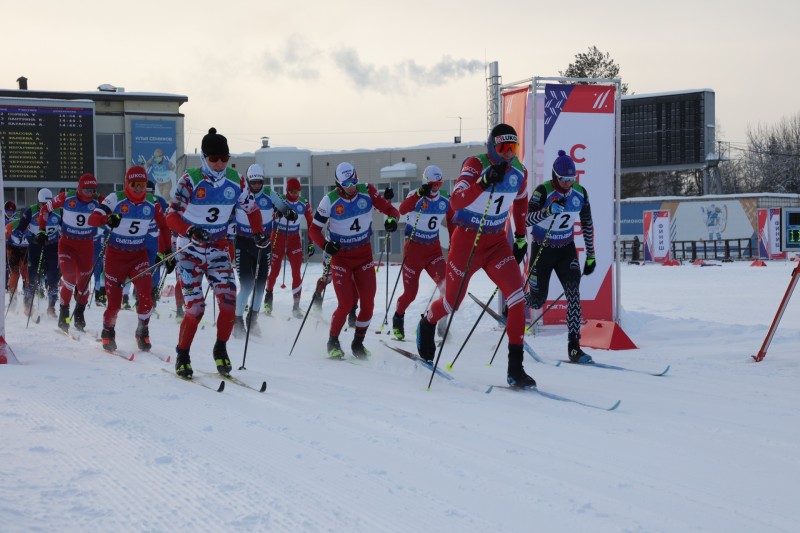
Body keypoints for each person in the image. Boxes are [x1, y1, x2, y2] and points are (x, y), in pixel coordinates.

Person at [416, 124, 534, 387]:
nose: (508, 155)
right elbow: (456, 202)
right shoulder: (475, 164)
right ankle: (427, 322)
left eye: (513, 149)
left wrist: (521, 236)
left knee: (517, 299)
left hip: (496, 243)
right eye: (503, 148)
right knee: (451, 304)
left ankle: (515, 368)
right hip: (468, 239)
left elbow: (522, 200)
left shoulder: (519, 171)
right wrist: (483, 182)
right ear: (492, 146)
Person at [166, 128, 270, 378]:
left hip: (217, 249)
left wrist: (258, 233)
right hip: (189, 250)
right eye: (214, 159)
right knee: (196, 308)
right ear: (204, 158)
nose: (220, 164)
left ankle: (220, 348)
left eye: (224, 158)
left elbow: (252, 209)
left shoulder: (236, 180)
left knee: (228, 302)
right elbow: (171, 216)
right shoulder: (190, 180)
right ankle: (182, 353)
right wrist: (190, 230)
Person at [308, 162, 399, 358]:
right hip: (341, 257)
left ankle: (358, 343)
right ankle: (332, 341)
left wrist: (392, 221)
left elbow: (391, 211)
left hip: (364, 254)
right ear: (339, 184)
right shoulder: (329, 200)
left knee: (368, 303)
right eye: (347, 183)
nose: (352, 186)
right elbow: (313, 230)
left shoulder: (366, 191)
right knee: (346, 303)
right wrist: (325, 245)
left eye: (354, 180)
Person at [524, 149, 596, 364]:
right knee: (537, 300)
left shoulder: (580, 193)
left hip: (566, 249)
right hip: (542, 248)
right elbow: (526, 221)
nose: (568, 183)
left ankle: (574, 348)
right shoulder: (542, 191)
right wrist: (547, 212)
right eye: (564, 179)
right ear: (555, 176)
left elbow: (587, 224)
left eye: (571, 179)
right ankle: (514, 302)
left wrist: (591, 255)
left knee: (573, 294)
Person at [88, 166, 170, 351]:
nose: (139, 189)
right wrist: (107, 219)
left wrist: (167, 251)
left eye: (142, 184)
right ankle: (108, 330)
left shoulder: (152, 203)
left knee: (145, 294)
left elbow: (164, 227)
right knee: (115, 303)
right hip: (115, 255)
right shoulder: (115, 198)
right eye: (134, 185)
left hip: (138, 255)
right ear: (127, 184)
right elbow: (93, 218)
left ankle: (143, 331)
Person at [232, 164, 296, 339]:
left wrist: (289, 213)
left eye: (259, 182)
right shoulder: (240, 193)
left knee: (260, 285)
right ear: (248, 181)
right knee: (246, 284)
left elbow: (283, 207)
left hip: (264, 243)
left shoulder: (269, 194)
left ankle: (252, 319)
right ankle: (237, 320)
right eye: (253, 182)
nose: (256, 186)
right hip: (243, 242)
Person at [391, 165, 454, 340]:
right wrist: (419, 194)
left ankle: (441, 325)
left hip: (433, 250)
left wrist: (453, 243)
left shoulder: (444, 200)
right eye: (433, 183)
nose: (436, 187)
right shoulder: (415, 195)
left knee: (447, 288)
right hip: (413, 250)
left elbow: (452, 223)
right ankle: (398, 317)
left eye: (439, 183)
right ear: (426, 182)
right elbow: (402, 210)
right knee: (410, 294)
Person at [39, 174, 99, 332]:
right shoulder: (66, 197)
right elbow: (45, 209)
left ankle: (79, 313)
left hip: (86, 246)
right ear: (79, 188)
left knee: (84, 285)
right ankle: (64, 315)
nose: (89, 193)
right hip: (67, 244)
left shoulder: (99, 199)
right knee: (70, 278)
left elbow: (116, 213)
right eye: (86, 190)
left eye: (93, 190)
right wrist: (41, 231)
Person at [265, 177, 314, 319]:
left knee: (296, 272)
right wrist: (277, 214)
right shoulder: (280, 200)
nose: (295, 194)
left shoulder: (303, 203)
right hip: (278, 236)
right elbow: (268, 217)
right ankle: (268, 300)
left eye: (297, 191)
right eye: (292, 191)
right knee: (274, 270)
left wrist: (311, 243)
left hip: (294, 239)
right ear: (287, 190)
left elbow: (311, 224)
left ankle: (296, 306)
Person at [14, 188, 61, 318]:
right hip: (36, 246)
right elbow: (20, 228)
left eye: (47, 205)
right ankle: (28, 305)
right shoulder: (32, 210)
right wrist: (23, 236)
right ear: (38, 202)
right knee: (32, 276)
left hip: (52, 247)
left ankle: (51, 307)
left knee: (53, 278)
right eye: (42, 204)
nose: (45, 208)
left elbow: (66, 227)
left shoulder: (58, 211)